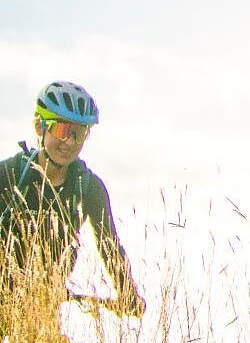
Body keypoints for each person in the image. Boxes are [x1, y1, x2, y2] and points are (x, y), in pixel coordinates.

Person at [1, 81, 146, 324]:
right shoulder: (9, 174)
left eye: (78, 133)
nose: (68, 141)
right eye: (60, 130)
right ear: (39, 127)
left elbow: (109, 246)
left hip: (42, 302)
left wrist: (127, 292)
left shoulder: (88, 188)